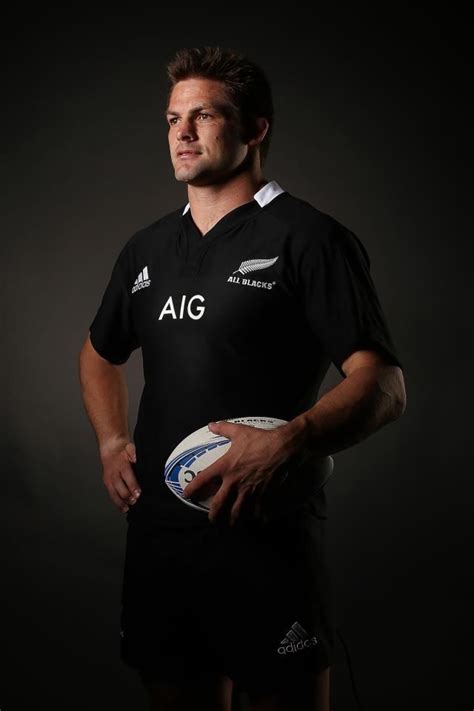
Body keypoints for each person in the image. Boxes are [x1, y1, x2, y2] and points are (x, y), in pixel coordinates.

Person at [79, 46, 406, 711]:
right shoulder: (146, 249)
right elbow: (98, 352)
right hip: (162, 542)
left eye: (204, 115)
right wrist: (113, 441)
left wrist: (290, 441)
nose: (182, 132)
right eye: (173, 118)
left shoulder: (308, 238)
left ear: (255, 127)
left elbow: (384, 384)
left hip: (268, 542)